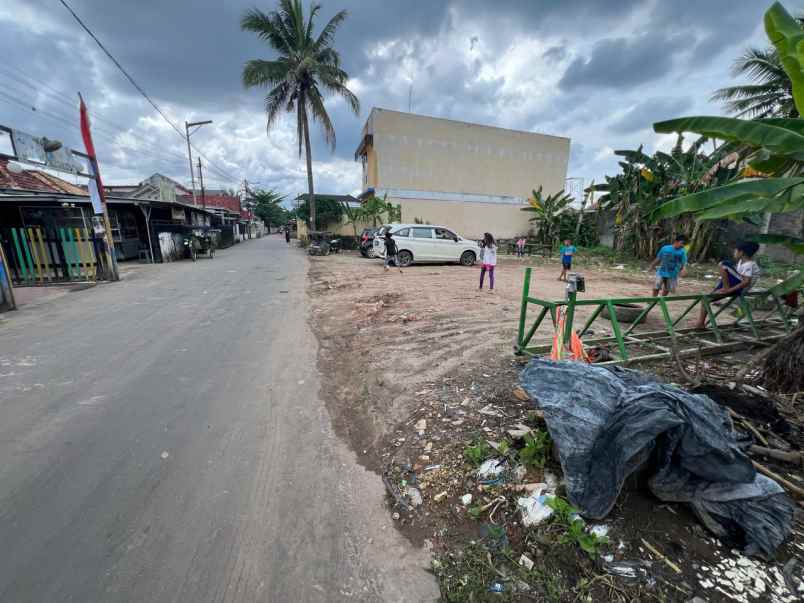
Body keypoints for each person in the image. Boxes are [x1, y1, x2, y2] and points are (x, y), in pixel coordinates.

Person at [695, 241, 761, 328]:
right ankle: (700, 323)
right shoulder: (741, 262)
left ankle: (725, 288)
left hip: (740, 289)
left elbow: (746, 282)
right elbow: (734, 276)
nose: (734, 253)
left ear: (741, 252)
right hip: (736, 286)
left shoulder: (749, 264)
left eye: (735, 251)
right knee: (706, 299)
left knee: (723, 264)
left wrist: (729, 290)